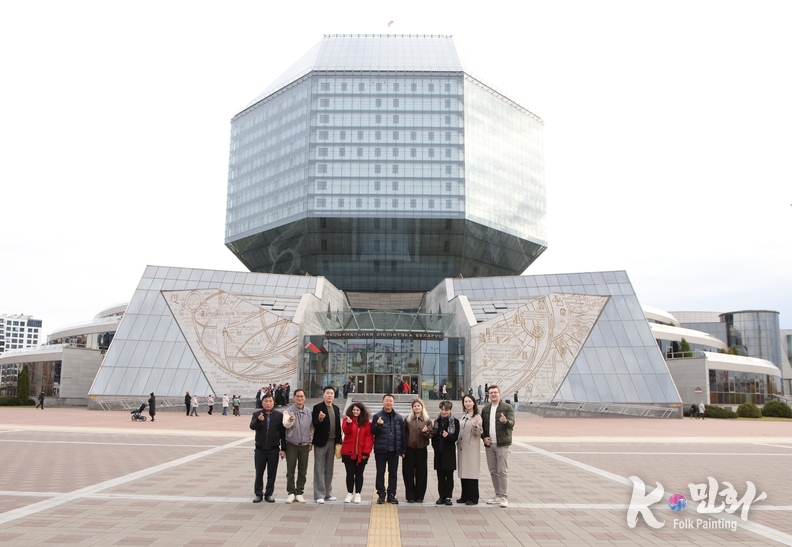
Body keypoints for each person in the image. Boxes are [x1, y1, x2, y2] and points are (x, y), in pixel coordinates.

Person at [481, 385, 514, 507]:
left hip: (502, 444)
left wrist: (505, 421)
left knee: (502, 471)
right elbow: (482, 427)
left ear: (499, 393)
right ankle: (497, 495)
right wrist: (484, 437)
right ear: (488, 395)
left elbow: (511, 424)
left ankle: (504, 497)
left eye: (495, 392)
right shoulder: (485, 409)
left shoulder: (507, 408)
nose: (493, 394)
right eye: (491, 393)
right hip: (489, 445)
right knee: (493, 471)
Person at [250, 393, 286, 503]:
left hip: (273, 449)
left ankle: (269, 494)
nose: (268, 403)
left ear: (273, 402)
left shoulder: (279, 416)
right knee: (259, 472)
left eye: (270, 401)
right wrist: (258, 420)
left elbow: (283, 434)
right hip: (260, 449)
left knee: (272, 473)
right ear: (262, 403)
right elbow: (252, 426)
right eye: (266, 401)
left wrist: (283, 449)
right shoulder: (257, 414)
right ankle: (258, 493)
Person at [371, 393, 406, 504]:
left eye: (391, 401)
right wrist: (378, 425)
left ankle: (391, 494)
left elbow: (402, 435)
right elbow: (372, 431)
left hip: (394, 451)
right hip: (381, 450)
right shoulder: (377, 416)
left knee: (393, 473)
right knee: (380, 472)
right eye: (386, 400)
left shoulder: (398, 417)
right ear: (383, 402)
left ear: (393, 402)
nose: (388, 403)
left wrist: (402, 450)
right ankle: (381, 494)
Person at [312, 386, 342, 503]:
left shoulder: (336, 408)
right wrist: (319, 419)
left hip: (332, 442)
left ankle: (328, 493)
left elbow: (337, 426)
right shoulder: (317, 408)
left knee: (329, 468)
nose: (330, 395)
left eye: (332, 393)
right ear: (323, 394)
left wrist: (339, 440)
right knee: (319, 468)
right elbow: (314, 424)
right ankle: (319, 494)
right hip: (321, 442)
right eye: (328, 393)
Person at [283, 389, 312, 503]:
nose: (300, 398)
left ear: (305, 398)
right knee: (290, 470)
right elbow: (285, 424)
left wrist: (311, 443)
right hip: (292, 444)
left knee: (302, 470)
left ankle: (300, 492)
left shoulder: (309, 412)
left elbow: (312, 429)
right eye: (298, 396)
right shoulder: (288, 411)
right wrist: (291, 419)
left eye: (302, 396)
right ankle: (291, 492)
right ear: (294, 398)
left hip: (305, 444)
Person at [340, 402, 374, 504]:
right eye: (354, 410)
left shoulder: (367, 423)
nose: (355, 412)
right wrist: (349, 424)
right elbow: (346, 431)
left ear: (361, 411)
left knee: (359, 474)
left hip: (362, 453)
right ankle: (349, 493)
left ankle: (358, 494)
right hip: (348, 452)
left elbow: (369, 438)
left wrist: (366, 452)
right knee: (350, 474)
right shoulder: (347, 420)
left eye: (358, 410)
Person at [403, 398, 432, 503]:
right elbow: (403, 435)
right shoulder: (408, 419)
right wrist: (402, 449)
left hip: (421, 450)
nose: (417, 408)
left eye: (418, 406)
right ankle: (410, 496)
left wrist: (425, 432)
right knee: (408, 473)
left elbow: (430, 435)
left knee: (421, 473)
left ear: (422, 407)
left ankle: (420, 496)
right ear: (412, 408)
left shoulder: (427, 420)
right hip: (409, 450)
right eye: (415, 406)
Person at [432, 400, 459, 506]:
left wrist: (447, 436)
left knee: (449, 475)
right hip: (439, 452)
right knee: (440, 476)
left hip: (449, 453)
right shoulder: (437, 421)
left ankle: (448, 496)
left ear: (450, 410)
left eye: (446, 410)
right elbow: (434, 436)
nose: (444, 412)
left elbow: (455, 437)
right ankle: (441, 496)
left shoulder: (454, 421)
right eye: (442, 409)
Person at [457, 394, 482, 505]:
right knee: (464, 472)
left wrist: (476, 426)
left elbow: (477, 433)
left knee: (471, 473)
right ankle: (464, 495)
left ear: (474, 403)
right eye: (465, 401)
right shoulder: (464, 416)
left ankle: (473, 497)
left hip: (471, 448)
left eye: (469, 401)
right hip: (462, 448)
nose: (467, 403)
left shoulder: (477, 417)